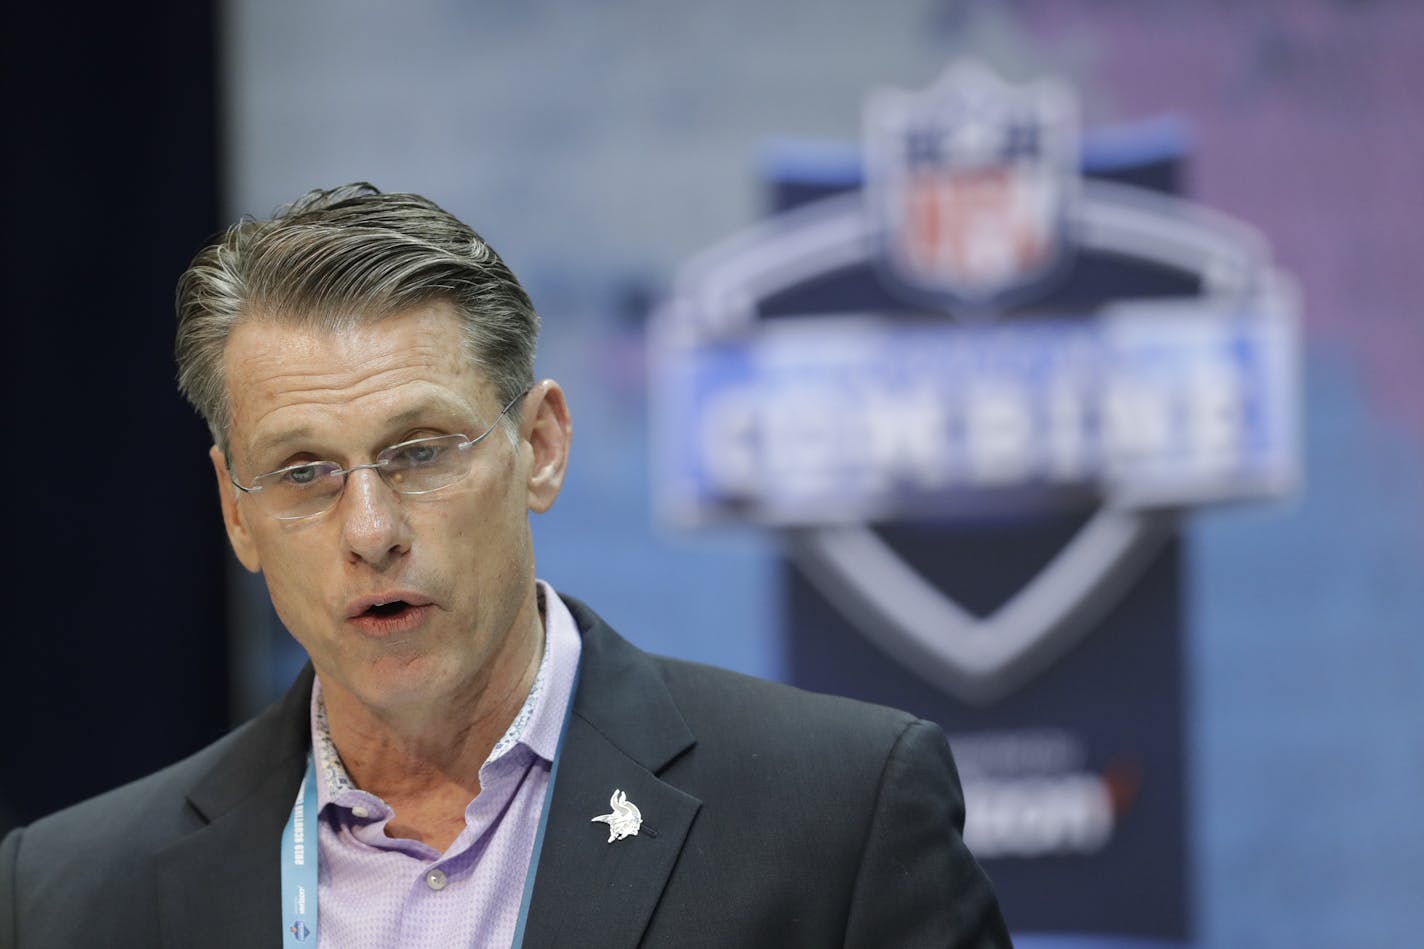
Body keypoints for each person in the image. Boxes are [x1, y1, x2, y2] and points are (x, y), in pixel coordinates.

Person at [0, 184, 1011, 948]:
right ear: (236, 509)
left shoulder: (837, 813)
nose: (369, 528)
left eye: (420, 451)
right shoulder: (74, 895)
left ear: (540, 446)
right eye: (304, 472)